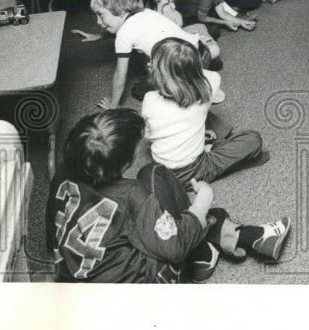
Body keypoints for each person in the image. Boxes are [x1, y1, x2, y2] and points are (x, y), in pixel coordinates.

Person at [46, 109, 219, 283]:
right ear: (126, 163)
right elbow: (176, 247)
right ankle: (200, 257)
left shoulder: (62, 170)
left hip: (76, 284)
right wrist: (204, 199)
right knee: (153, 172)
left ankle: (212, 228)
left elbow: (51, 228)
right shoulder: (132, 194)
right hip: (138, 292)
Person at [142, 37, 268, 186]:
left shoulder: (149, 99)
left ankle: (205, 144)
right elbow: (213, 75)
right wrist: (191, 67)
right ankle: (208, 148)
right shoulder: (206, 93)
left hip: (161, 169)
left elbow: (149, 137)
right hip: (194, 172)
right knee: (253, 139)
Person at [72, 0, 205, 109]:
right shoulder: (144, 12)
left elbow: (120, 74)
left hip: (183, 67)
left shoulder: (124, 34)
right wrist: (98, 36)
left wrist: (112, 106)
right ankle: (202, 70)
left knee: (139, 90)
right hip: (198, 51)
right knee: (143, 53)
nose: (98, 22)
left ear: (121, 11)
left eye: (101, 15)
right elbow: (127, 32)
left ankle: (191, 83)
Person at [142, 0, 222, 67]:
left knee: (200, 26)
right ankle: (197, 65)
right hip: (169, 52)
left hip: (173, 39)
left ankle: (203, 60)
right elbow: (171, 42)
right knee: (214, 49)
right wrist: (197, 39)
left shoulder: (161, 1)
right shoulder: (165, 10)